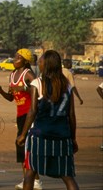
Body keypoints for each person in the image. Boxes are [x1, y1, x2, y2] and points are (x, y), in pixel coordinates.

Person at [16, 50, 79, 190]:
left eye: (41, 61)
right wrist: (73, 138)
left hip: (40, 135)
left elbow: (32, 111)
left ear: (47, 64)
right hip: (62, 136)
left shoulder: (37, 83)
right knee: (68, 176)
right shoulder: (67, 85)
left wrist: (23, 134)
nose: (39, 63)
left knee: (30, 172)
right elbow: (71, 115)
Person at [0, 48, 42, 189]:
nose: (15, 60)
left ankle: (34, 180)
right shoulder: (13, 74)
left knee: (27, 147)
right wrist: (1, 91)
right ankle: (28, 179)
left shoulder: (29, 74)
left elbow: (39, 89)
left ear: (26, 61)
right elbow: (11, 97)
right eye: (15, 57)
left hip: (31, 114)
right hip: (20, 115)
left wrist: (24, 89)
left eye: (18, 58)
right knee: (22, 147)